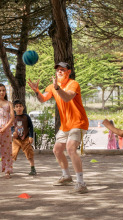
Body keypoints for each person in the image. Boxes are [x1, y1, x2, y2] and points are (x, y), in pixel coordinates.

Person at [28, 62, 89, 194]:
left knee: (71, 148)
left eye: (62, 70)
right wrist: (36, 91)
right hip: (65, 125)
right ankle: (66, 176)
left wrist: (57, 88)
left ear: (69, 72)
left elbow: (67, 98)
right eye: (58, 70)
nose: (59, 72)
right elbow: (43, 99)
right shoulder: (52, 86)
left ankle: (81, 183)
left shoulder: (73, 84)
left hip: (78, 122)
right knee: (57, 150)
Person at [11, 100, 36, 175]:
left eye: (20, 106)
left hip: (25, 138)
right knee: (13, 153)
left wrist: (31, 136)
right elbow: (11, 127)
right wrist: (13, 132)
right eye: (17, 106)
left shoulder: (26, 116)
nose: (19, 108)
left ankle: (33, 168)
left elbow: (31, 127)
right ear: (14, 108)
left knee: (29, 153)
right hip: (16, 140)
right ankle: (9, 168)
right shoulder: (13, 117)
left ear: (23, 107)